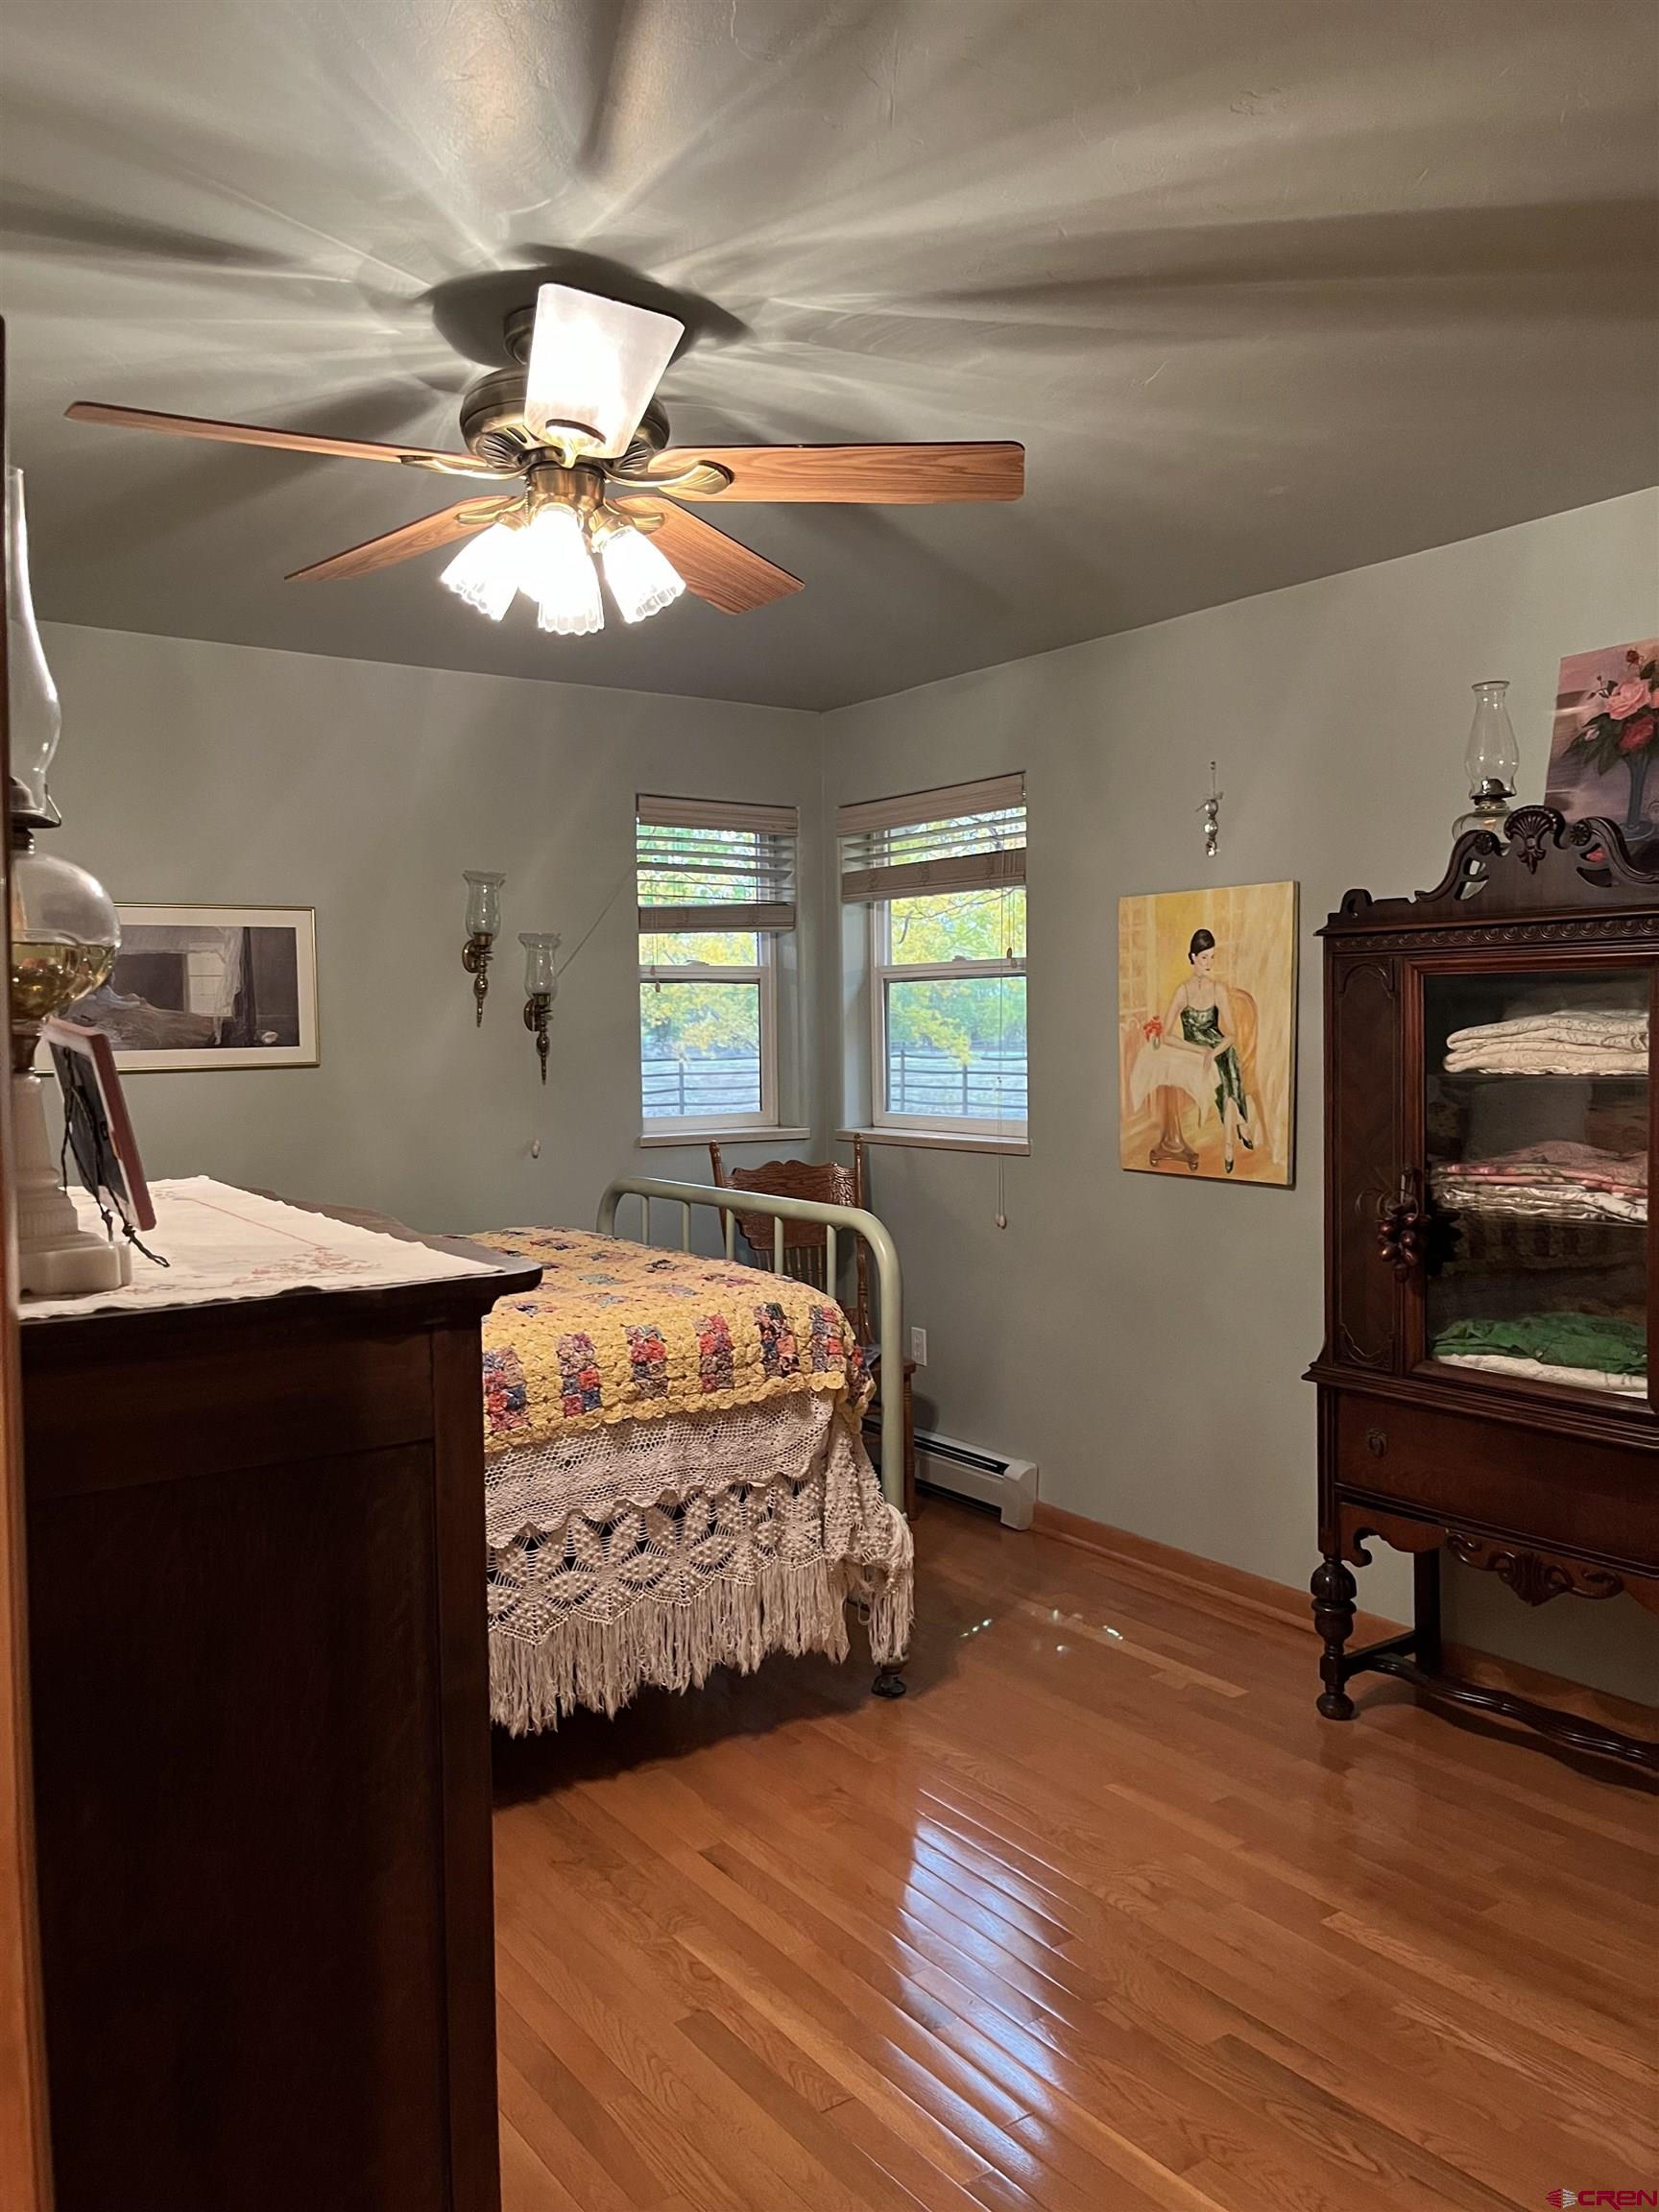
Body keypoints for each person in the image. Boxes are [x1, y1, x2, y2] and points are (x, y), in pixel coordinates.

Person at [1156, 928, 1257, 1172]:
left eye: (1212, 957)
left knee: (1227, 1063)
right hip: (1194, 1049)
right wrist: (1197, 1050)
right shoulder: (1182, 991)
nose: (1209, 963)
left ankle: (1228, 1144)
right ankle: (1241, 1122)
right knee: (1224, 1071)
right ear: (1192, 957)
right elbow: (1165, 1036)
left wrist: (1212, 1052)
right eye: (1204, 957)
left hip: (1218, 1046)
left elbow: (1231, 1035)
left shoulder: (1217, 989)